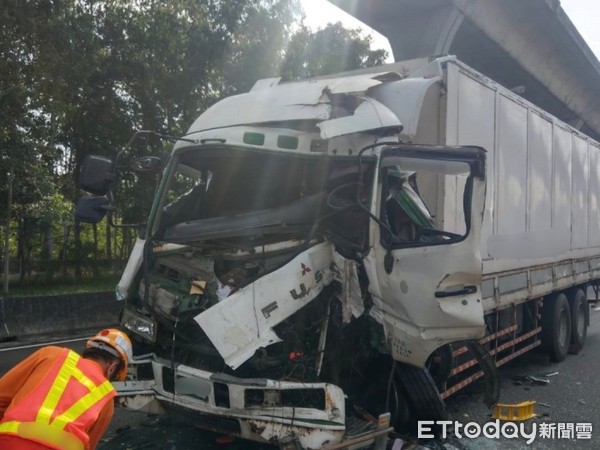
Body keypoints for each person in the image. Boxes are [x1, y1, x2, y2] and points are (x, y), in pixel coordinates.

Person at [0, 329, 133, 450]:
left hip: (10, 441)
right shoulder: (106, 399)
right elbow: (89, 446)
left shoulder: (50, 354)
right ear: (113, 367)